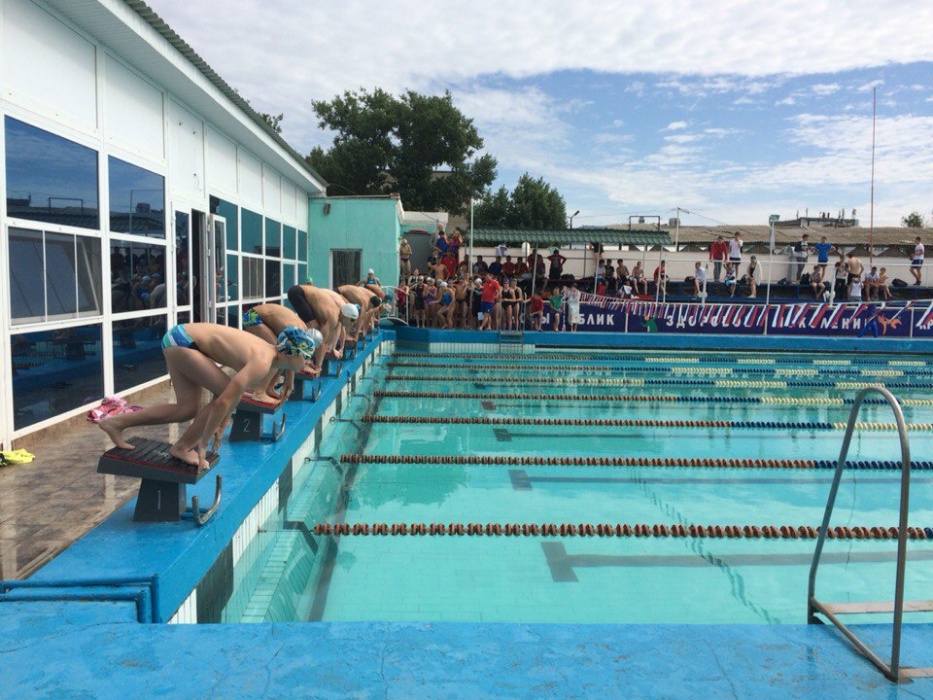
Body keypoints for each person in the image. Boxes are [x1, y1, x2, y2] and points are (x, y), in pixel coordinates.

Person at [99, 323, 316, 469]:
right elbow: (224, 399)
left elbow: (232, 397)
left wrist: (220, 428)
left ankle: (115, 423)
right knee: (224, 394)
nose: (307, 363)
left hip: (179, 337)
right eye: (306, 357)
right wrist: (204, 442)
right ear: (293, 354)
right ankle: (184, 447)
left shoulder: (272, 357)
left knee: (186, 409)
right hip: (184, 342)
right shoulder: (263, 362)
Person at [242, 303, 325, 396]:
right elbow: (291, 355)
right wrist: (289, 382)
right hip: (251, 316)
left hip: (260, 317)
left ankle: (269, 387)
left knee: (282, 357)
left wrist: (307, 361)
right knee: (277, 355)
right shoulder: (296, 330)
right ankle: (259, 392)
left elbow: (292, 356)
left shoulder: (302, 332)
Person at [286, 284, 356, 372]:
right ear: (347, 316)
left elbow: (326, 342)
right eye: (350, 322)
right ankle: (301, 360)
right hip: (298, 293)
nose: (348, 325)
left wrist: (332, 349)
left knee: (317, 330)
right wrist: (318, 367)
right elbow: (322, 342)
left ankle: (304, 359)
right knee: (314, 329)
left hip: (304, 293)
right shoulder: (334, 317)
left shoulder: (339, 314)